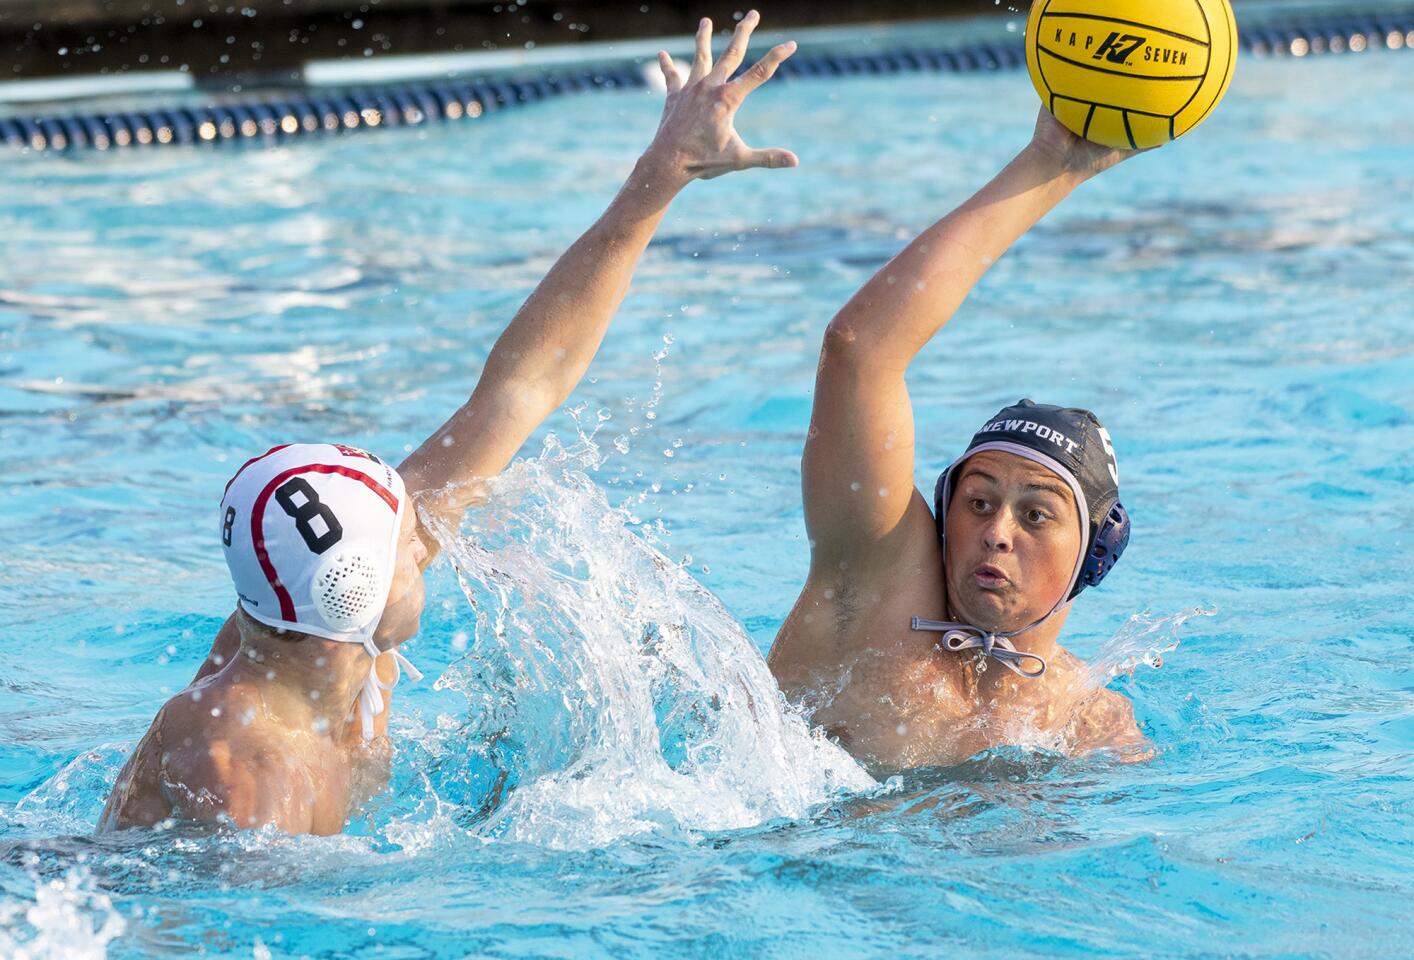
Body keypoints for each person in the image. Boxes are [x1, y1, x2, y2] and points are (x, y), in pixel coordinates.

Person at [98, 11, 799, 835]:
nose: (428, 540)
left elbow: (520, 391)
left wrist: (663, 173)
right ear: (349, 590)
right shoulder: (238, 771)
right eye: (406, 546)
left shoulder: (321, 627)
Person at [766, 109, 1151, 774]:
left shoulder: (1090, 719)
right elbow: (860, 351)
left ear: (1094, 555)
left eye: (1035, 514)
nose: (997, 531)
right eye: (977, 503)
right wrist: (1049, 168)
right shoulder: (869, 599)